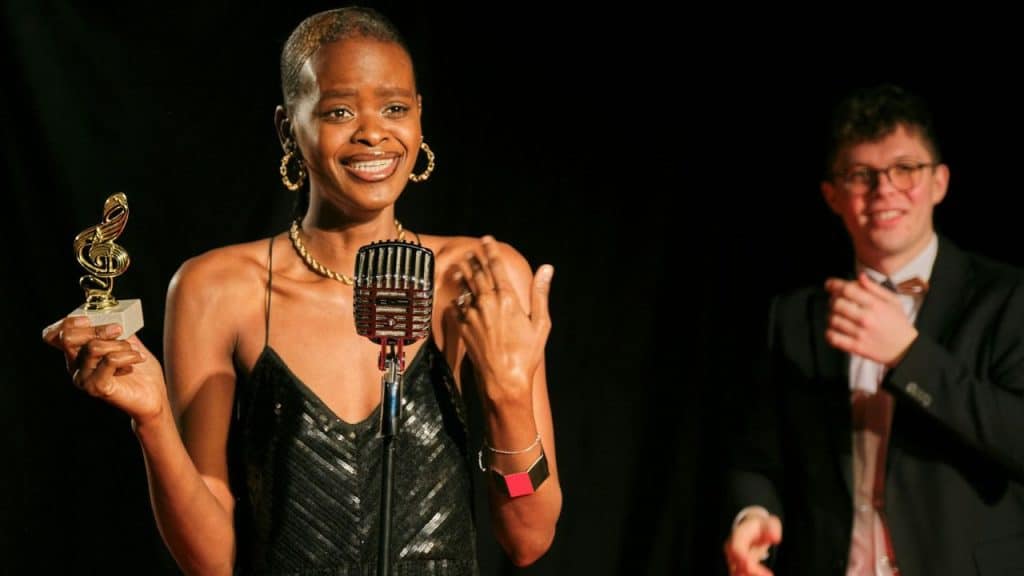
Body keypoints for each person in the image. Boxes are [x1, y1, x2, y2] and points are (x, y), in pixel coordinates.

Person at [42, 6, 561, 574]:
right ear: (289, 127)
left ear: (418, 119)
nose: (372, 131)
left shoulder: (481, 276)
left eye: (394, 108)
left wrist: (510, 398)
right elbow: (210, 562)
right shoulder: (215, 290)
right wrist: (153, 420)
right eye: (339, 110)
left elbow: (528, 538)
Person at [722, 84, 1024, 576]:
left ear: (940, 182)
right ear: (832, 196)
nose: (884, 189)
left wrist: (909, 354)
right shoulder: (795, 317)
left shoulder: (1009, 299)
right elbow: (757, 456)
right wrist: (754, 514)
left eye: (905, 169)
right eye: (862, 175)